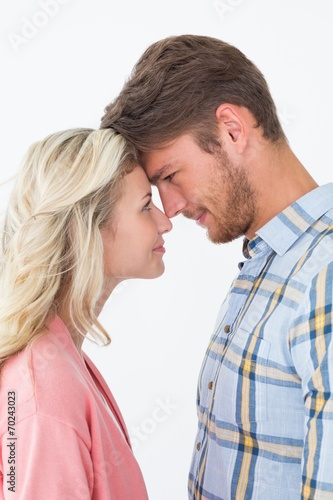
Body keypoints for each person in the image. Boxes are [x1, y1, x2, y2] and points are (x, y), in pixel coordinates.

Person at [100, 34, 333, 499]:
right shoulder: (269, 263)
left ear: (231, 128)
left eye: (169, 175)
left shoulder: (323, 277)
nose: (171, 208)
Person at [0, 127, 172, 499]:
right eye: (145, 206)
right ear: (87, 231)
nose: (165, 222)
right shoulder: (42, 389)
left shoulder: (60, 359)